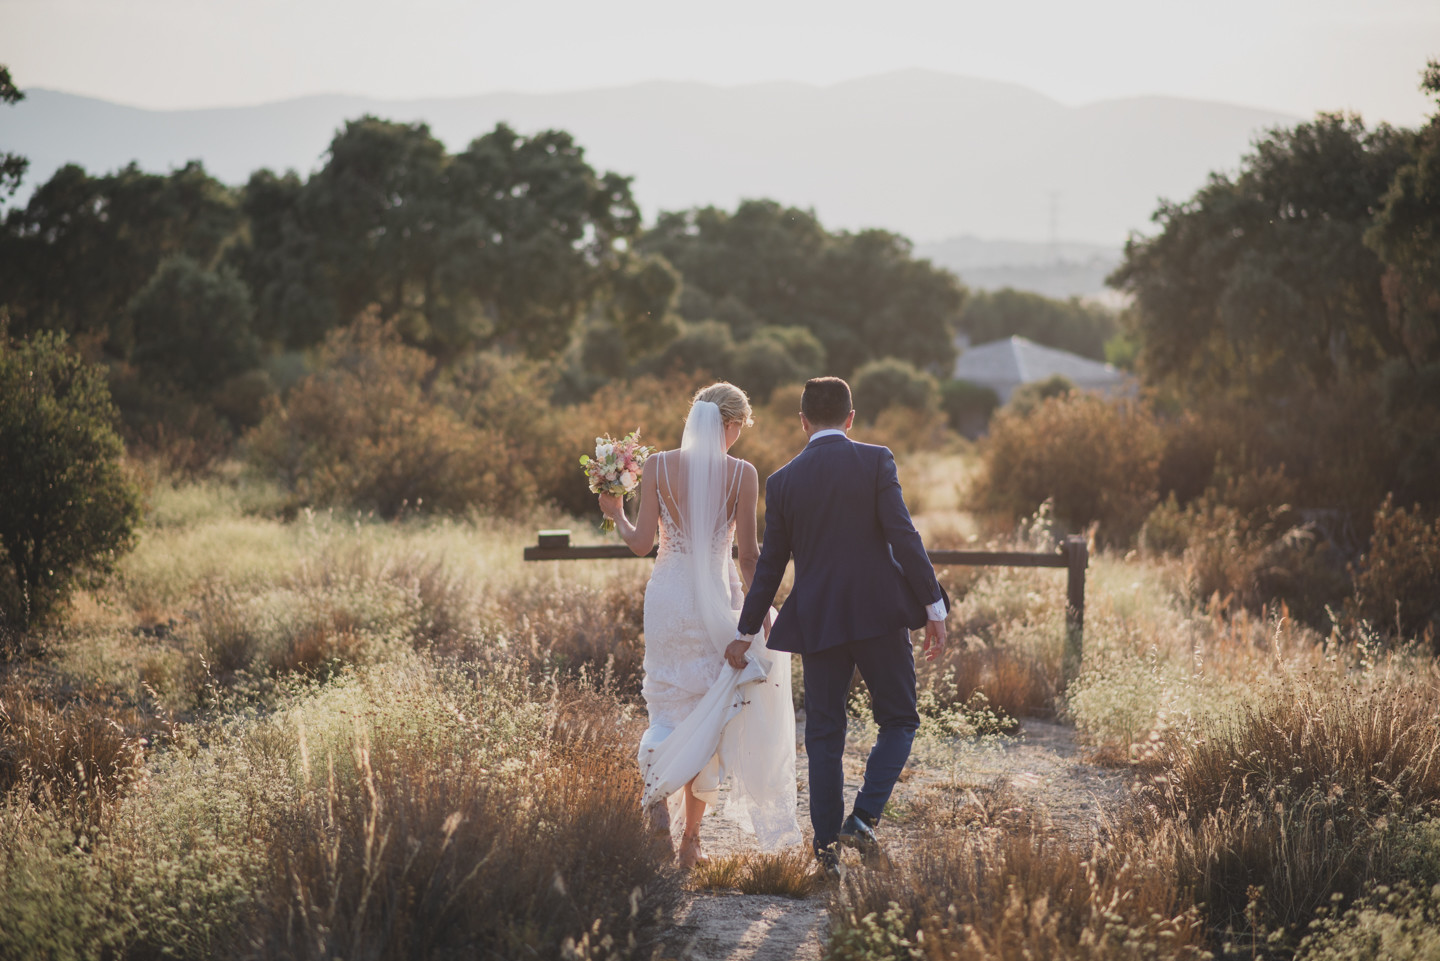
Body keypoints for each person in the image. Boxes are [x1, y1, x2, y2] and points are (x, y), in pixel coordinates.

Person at [731, 376, 947, 877]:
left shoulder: (782, 481)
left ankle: (826, 851)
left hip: (819, 619)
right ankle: (864, 818)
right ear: (851, 418)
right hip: (879, 614)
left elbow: (769, 566)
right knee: (900, 720)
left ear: (802, 421)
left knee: (824, 735)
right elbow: (903, 534)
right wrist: (934, 607)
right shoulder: (876, 460)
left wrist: (745, 632)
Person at [600, 383, 801, 867]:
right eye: (740, 429)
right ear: (729, 424)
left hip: (668, 597)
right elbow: (750, 556)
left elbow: (642, 542)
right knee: (709, 715)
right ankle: (691, 843)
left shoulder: (657, 466)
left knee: (665, 710)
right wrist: (764, 612)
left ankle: (657, 810)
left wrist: (616, 514)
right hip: (717, 596)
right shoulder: (743, 474)